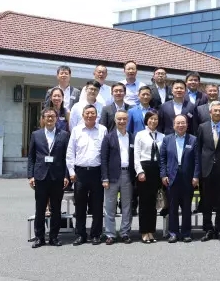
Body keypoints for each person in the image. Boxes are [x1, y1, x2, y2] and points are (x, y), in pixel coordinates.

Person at [27, 108, 70, 248]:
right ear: (43, 118)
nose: (50, 119)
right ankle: (39, 238)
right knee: (40, 209)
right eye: (47, 116)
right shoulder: (36, 134)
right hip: (40, 176)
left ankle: (54, 237)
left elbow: (67, 158)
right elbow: (31, 157)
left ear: (56, 118)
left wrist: (66, 175)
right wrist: (30, 176)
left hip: (57, 177)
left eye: (52, 116)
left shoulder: (64, 135)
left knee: (56, 209)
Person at [66, 105, 107, 246]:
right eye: (87, 113)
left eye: (92, 113)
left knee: (97, 205)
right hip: (80, 173)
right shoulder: (76, 130)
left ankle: (96, 234)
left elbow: (105, 153)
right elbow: (70, 152)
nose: (90, 115)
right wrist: (71, 172)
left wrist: (105, 174)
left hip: (97, 172)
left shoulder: (103, 130)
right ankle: (80, 234)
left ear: (97, 115)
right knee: (80, 206)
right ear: (83, 115)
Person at [161, 114, 200, 243]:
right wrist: (163, 175)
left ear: (187, 125)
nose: (180, 125)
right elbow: (162, 159)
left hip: (188, 179)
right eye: (178, 123)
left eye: (183, 123)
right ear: (173, 125)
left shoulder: (193, 140)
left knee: (186, 208)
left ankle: (186, 233)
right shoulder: (167, 140)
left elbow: (197, 160)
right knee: (172, 208)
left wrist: (196, 176)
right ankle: (173, 233)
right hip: (171, 178)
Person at [197, 101, 220, 242]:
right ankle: (208, 229)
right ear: (210, 112)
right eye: (215, 110)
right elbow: (198, 150)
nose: (218, 113)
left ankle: (219, 230)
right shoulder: (202, 127)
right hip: (206, 170)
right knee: (206, 201)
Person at [100, 109, 135, 245]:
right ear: (115, 120)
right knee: (110, 206)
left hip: (127, 175)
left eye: (124, 119)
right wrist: (105, 178)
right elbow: (104, 159)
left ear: (127, 120)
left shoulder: (132, 137)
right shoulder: (108, 137)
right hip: (112, 176)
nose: (122, 121)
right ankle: (110, 234)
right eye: (119, 119)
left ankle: (125, 232)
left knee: (127, 206)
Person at [133, 110, 165, 243]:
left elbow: (163, 156)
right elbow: (136, 155)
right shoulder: (140, 135)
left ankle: (151, 231)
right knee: (144, 202)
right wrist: (139, 171)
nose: (153, 121)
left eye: (155, 119)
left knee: (153, 202)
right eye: (151, 119)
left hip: (157, 168)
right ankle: (144, 231)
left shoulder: (162, 136)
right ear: (146, 120)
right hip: (144, 168)